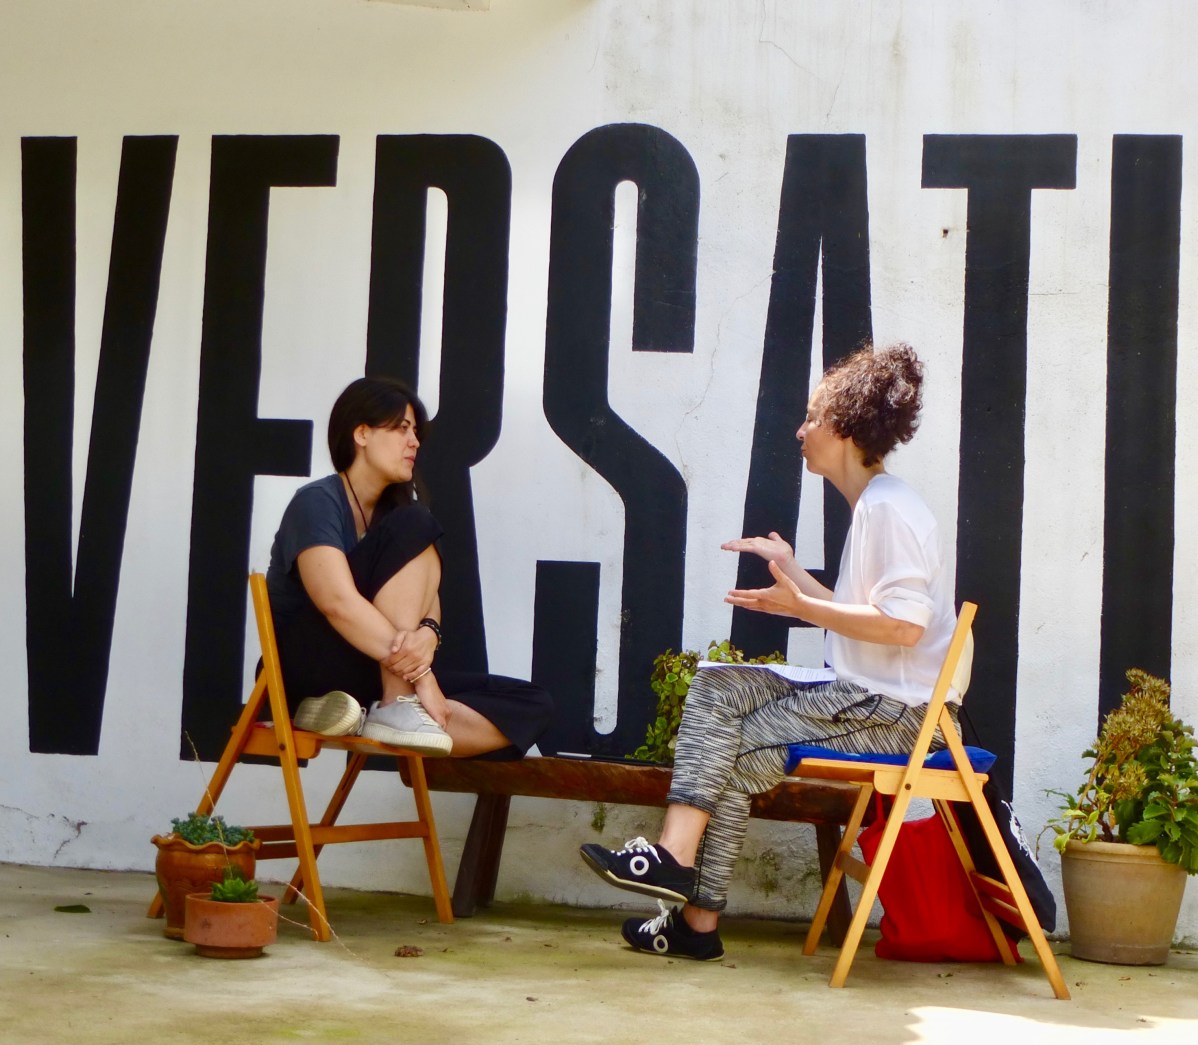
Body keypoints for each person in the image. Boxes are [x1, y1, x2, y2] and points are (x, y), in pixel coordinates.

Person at [579, 343, 960, 961]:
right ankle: (693, 915)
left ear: (843, 425)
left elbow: (903, 628)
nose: (800, 431)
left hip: (898, 715)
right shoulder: (876, 505)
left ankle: (680, 879)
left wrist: (802, 606)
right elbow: (868, 616)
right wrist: (795, 576)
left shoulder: (890, 509)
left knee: (728, 736)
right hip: (865, 698)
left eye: (811, 417)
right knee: (717, 688)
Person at [266, 376, 552, 759]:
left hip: (369, 667)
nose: (414, 441)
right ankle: (397, 706)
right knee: (416, 522)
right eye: (402, 428)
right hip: (305, 669)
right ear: (362, 434)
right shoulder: (317, 502)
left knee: (533, 702)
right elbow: (337, 602)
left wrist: (429, 634)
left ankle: (380, 720)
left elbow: (428, 602)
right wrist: (421, 676)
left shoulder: (398, 512)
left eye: (415, 432)